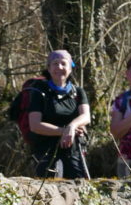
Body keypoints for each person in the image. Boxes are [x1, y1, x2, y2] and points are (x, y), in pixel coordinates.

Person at [27, 49, 91, 178]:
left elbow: (86, 116)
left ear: (70, 68)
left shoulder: (78, 92)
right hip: (45, 151)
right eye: (55, 63)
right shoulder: (38, 92)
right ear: (49, 68)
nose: (59, 67)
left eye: (63, 63)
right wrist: (64, 131)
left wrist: (72, 127)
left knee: (78, 188)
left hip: (74, 151)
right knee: (48, 192)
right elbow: (34, 125)